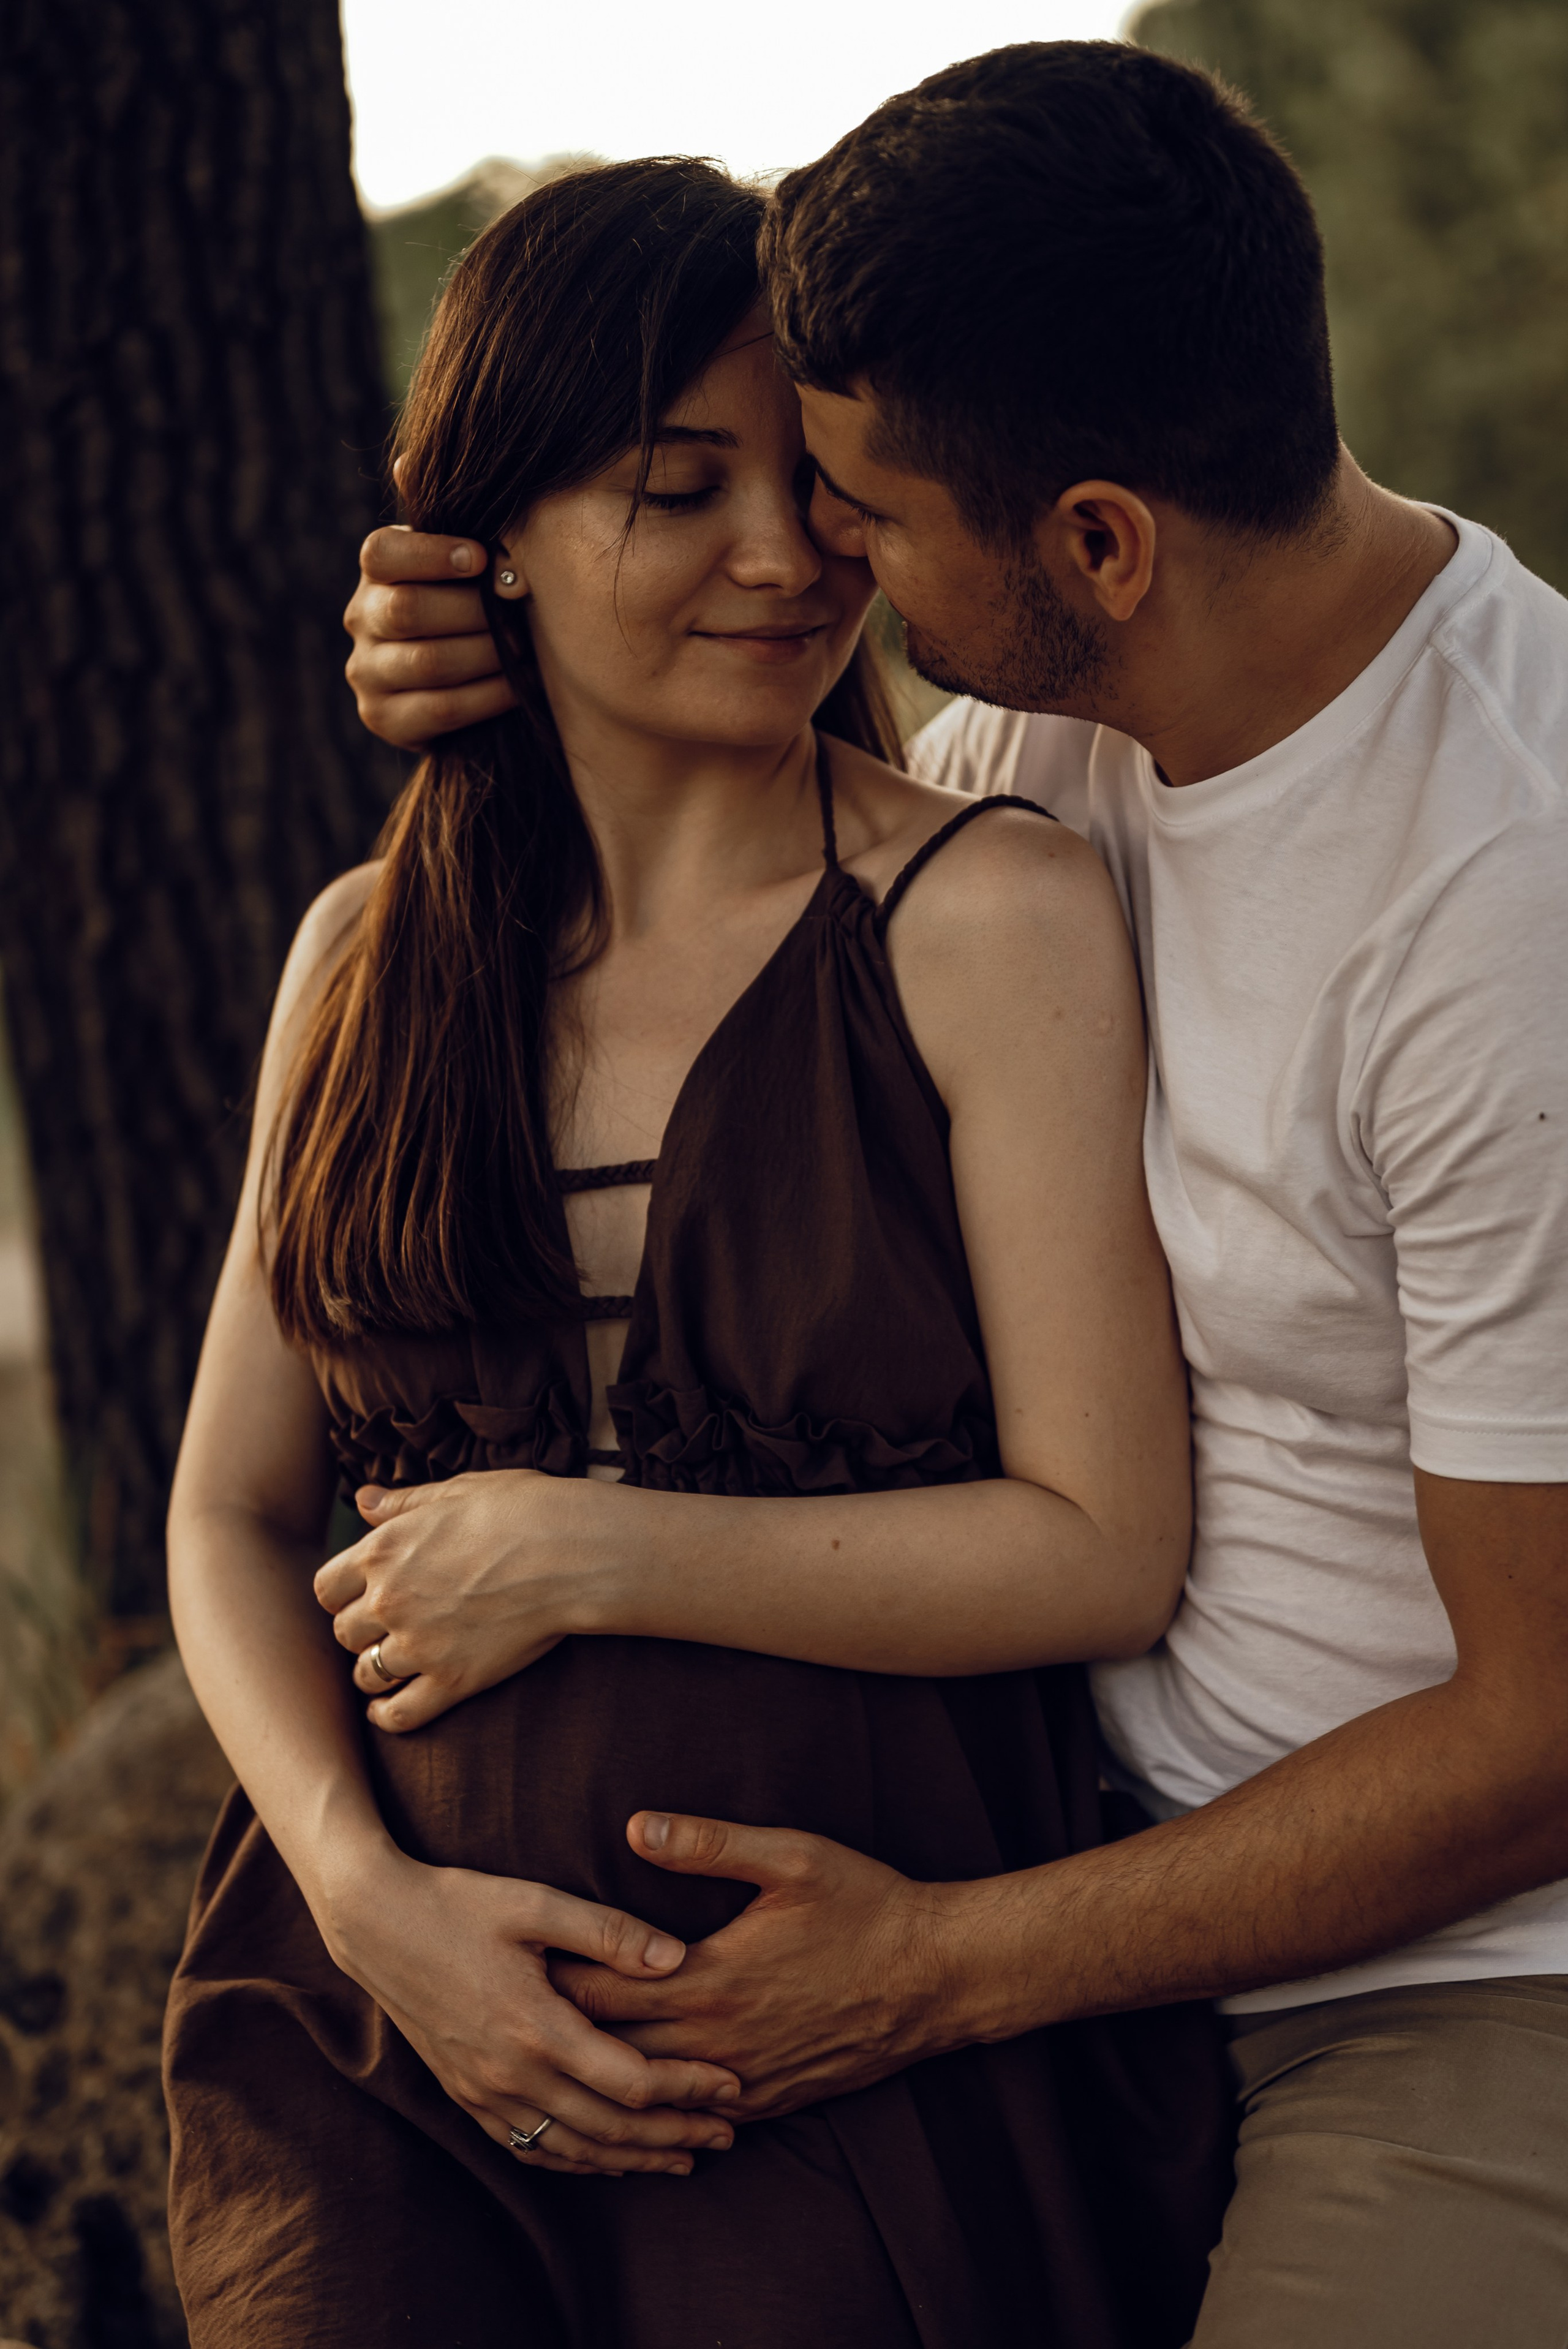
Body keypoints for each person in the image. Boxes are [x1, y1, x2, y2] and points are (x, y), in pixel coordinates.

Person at [345, 43, 1568, 2349]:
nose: (818, 565)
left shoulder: (1510, 904)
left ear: (1098, 540)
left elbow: (1550, 1733)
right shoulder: (1059, 714)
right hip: (1049, 1859)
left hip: (1450, 1981)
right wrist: (485, 648)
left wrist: (943, 1970)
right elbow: (734, 828)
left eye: (861, 512)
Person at [163, 155, 1234, 2349]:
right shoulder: (357, 956)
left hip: (853, 2052)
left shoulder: (983, 917)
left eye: (821, 482)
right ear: (492, 550)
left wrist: (587, 1552)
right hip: (394, 2060)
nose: (785, 554)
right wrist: (373, 1910)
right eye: (678, 486)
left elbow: (1101, 1540)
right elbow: (228, 1508)